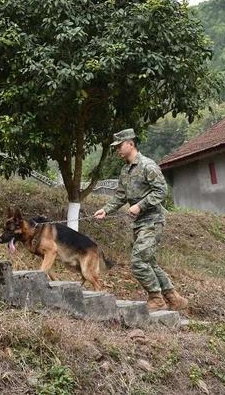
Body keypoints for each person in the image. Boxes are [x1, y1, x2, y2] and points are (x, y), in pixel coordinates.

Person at [93, 128, 188, 312]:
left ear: (130, 143)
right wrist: (105, 210)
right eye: (116, 147)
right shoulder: (125, 170)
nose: (117, 150)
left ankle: (156, 299)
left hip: (153, 220)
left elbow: (161, 191)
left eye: (119, 146)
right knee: (149, 262)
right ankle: (173, 298)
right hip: (139, 224)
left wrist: (140, 205)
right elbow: (120, 196)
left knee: (138, 262)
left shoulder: (147, 165)